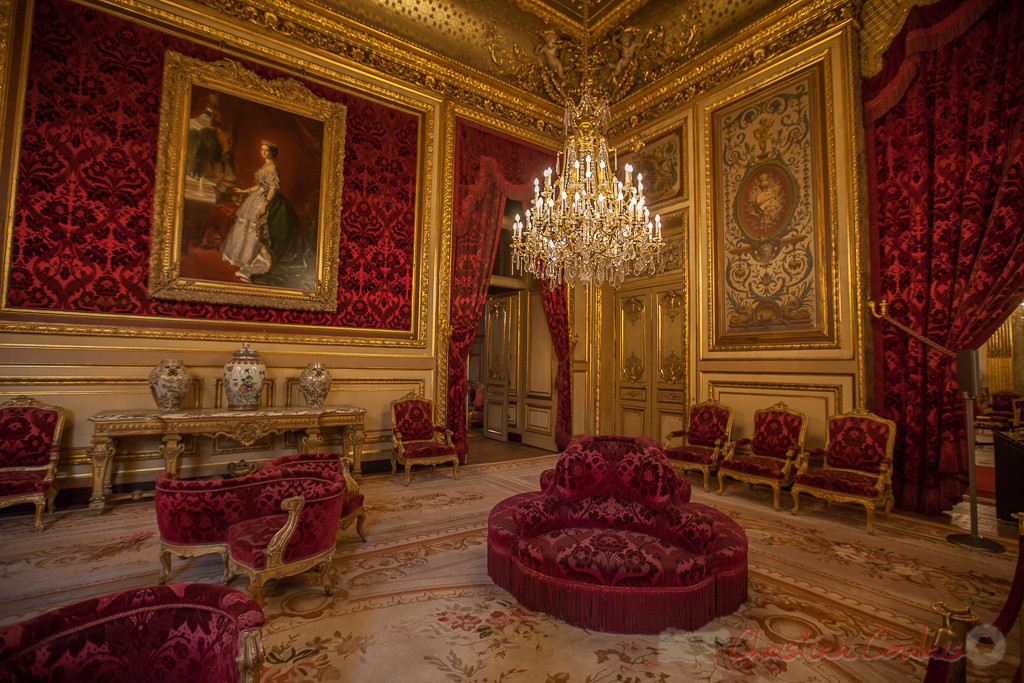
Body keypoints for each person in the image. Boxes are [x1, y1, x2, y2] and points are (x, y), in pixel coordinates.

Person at [220, 140, 314, 289]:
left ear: (272, 153)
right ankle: (243, 258)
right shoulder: (266, 166)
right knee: (247, 228)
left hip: (267, 200)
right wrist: (244, 191)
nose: (264, 153)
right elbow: (259, 186)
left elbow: (273, 189)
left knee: (258, 230)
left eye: (267, 151)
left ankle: (256, 263)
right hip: (256, 198)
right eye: (262, 150)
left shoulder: (272, 168)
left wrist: (265, 203)